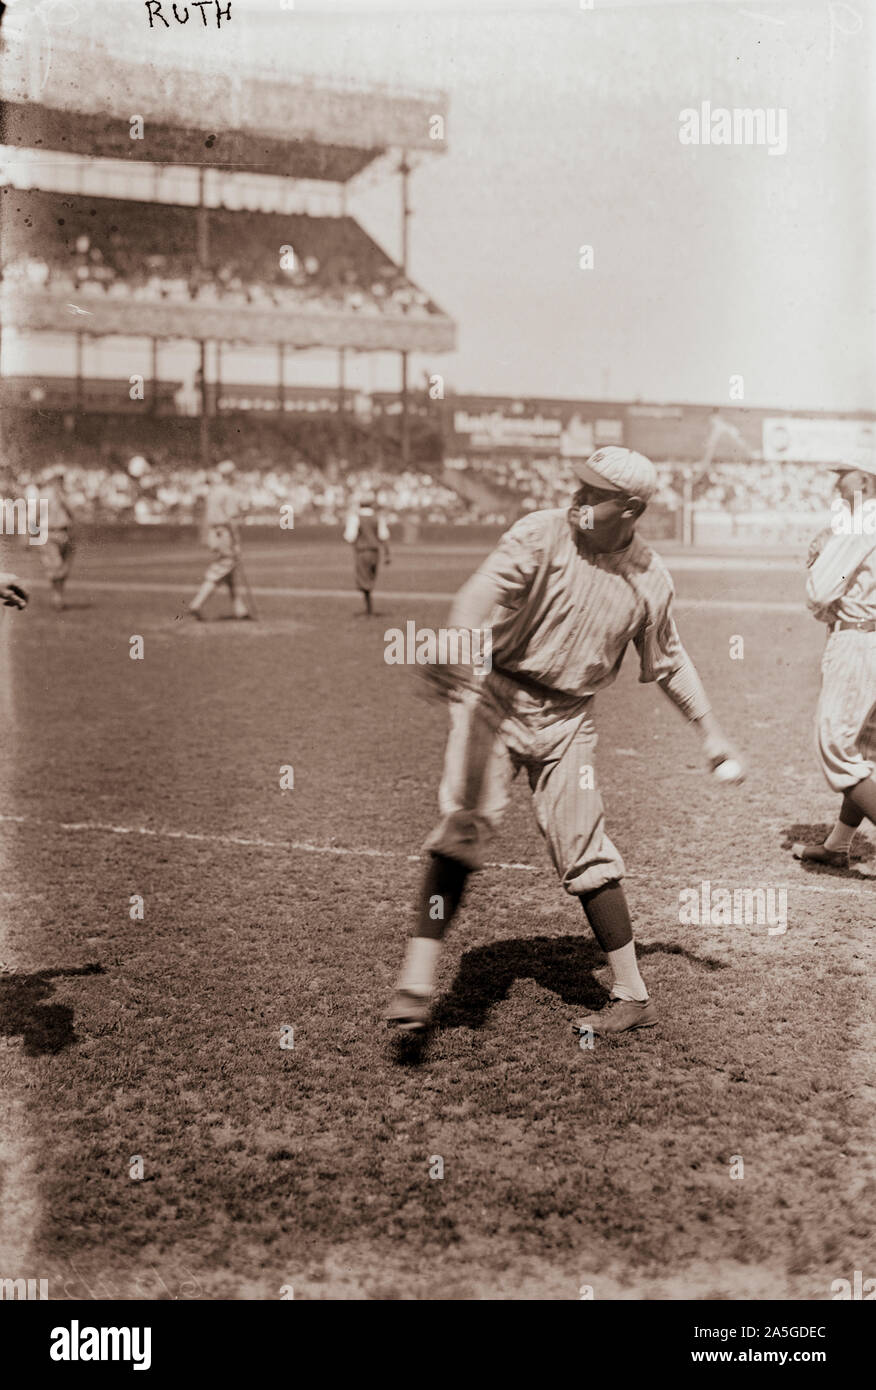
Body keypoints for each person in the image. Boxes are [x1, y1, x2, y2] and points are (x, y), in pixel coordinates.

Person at [386, 447, 744, 1039]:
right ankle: (417, 983)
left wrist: (710, 735)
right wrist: (455, 640)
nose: (576, 498)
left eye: (591, 492)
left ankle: (632, 995)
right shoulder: (542, 532)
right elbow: (482, 589)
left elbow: (670, 663)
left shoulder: (650, 579)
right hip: (495, 695)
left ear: (629, 508)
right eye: (577, 485)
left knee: (585, 846)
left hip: (569, 718)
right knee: (465, 821)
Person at [793, 457, 876, 870]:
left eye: (841, 476)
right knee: (863, 748)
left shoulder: (861, 521)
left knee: (837, 748)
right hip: (870, 637)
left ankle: (840, 844)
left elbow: (822, 591)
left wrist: (819, 557)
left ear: (864, 478)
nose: (836, 485)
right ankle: (839, 844)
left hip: (859, 643)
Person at [188, 460, 252, 621]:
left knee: (229, 572)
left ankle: (239, 609)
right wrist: (236, 542)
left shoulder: (214, 491)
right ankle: (196, 604)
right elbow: (232, 519)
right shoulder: (228, 492)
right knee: (224, 566)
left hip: (213, 534)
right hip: (224, 533)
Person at [344, 491, 390, 615]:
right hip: (375, 553)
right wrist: (387, 554)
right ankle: (369, 608)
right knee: (370, 578)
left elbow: (350, 537)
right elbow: (383, 536)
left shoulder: (355, 518)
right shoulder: (377, 518)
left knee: (364, 580)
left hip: (362, 552)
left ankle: (368, 609)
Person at [40, 465, 75, 611]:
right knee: (57, 566)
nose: (59, 481)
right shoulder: (44, 495)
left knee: (64, 569)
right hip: (49, 533)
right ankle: (57, 596)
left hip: (64, 533)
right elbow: (34, 516)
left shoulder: (65, 494)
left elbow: (73, 515)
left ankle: (58, 595)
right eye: (57, 478)